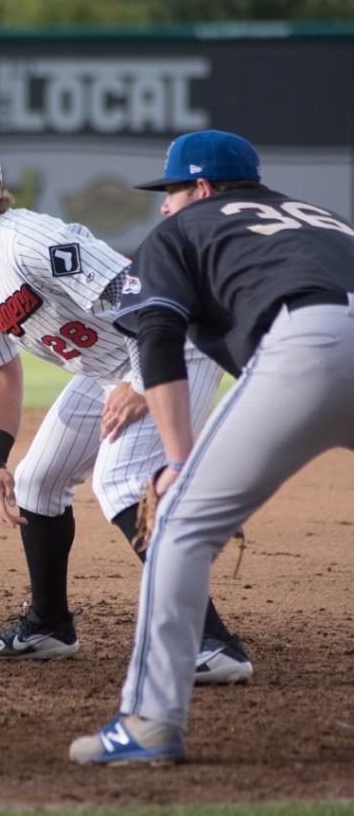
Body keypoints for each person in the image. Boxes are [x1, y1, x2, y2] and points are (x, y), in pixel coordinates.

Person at [0, 128, 252, 683]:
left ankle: (214, 644)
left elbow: (150, 296)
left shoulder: (29, 241)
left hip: (175, 347)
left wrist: (144, 380)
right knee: (37, 483)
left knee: (121, 483)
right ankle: (50, 626)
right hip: (109, 367)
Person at [69, 128, 354, 765]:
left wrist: (178, 461)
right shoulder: (324, 219)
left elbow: (159, 338)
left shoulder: (182, 230)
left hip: (311, 346)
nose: (163, 206)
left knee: (177, 523)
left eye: (170, 191)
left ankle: (148, 724)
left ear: (200, 187)